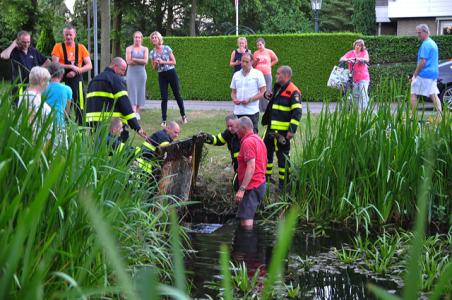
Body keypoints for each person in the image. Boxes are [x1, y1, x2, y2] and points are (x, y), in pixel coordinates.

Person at [262, 66, 302, 191]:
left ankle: (283, 184)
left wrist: (292, 130)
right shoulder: (278, 87)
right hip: (271, 129)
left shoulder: (293, 92)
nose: (276, 76)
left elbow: (297, 112)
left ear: (286, 76)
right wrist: (267, 95)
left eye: (278, 74)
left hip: (283, 133)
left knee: (282, 158)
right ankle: (266, 178)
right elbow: (274, 101)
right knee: (266, 154)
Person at [85, 57, 146, 140]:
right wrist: (137, 127)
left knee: (98, 148)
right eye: (122, 70)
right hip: (110, 124)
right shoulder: (116, 80)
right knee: (115, 149)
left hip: (92, 122)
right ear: (115, 66)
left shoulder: (94, 80)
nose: (123, 74)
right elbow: (125, 105)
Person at [52, 25, 92, 125]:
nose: (68, 37)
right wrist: (71, 67)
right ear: (63, 35)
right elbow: (55, 64)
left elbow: (89, 65)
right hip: (62, 80)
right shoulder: (58, 47)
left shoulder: (81, 48)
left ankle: (81, 127)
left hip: (77, 80)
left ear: (74, 35)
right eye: (66, 35)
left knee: (80, 104)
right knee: (64, 104)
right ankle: (64, 126)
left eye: (70, 34)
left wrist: (77, 70)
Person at [149, 31, 187, 127]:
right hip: (161, 75)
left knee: (177, 95)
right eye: (152, 38)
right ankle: (164, 120)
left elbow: (174, 62)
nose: (154, 39)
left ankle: (183, 116)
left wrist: (163, 61)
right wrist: (157, 64)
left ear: (159, 39)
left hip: (171, 73)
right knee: (164, 97)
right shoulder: (152, 52)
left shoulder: (166, 48)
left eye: (155, 37)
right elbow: (154, 68)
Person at [235, 117, 267, 229]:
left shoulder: (248, 142)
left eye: (237, 128)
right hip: (259, 184)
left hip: (252, 187)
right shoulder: (258, 140)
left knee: (246, 223)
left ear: (244, 128)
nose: (235, 131)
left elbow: (251, 166)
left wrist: (242, 189)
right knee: (245, 219)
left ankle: (247, 245)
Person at [0, 31, 50, 96]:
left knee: (33, 104)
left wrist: (38, 71)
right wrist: (13, 45)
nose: (26, 44)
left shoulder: (33, 51)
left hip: (33, 84)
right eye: (24, 42)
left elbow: (48, 62)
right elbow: (3, 56)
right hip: (18, 85)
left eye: (28, 42)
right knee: (18, 105)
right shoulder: (14, 51)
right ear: (18, 41)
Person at [410, 24, 442, 117]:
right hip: (433, 73)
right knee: (433, 94)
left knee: (413, 92)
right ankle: (440, 116)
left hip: (424, 74)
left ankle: (413, 117)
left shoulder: (426, 44)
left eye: (419, 33)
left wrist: (414, 75)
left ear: (425, 32)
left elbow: (423, 61)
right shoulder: (433, 43)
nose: (418, 35)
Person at [231, 52, 266, 134]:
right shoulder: (236, 75)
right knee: (237, 135)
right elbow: (233, 92)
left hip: (252, 111)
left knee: (252, 136)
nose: (244, 64)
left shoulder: (258, 74)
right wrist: (234, 99)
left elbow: (263, 92)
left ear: (252, 62)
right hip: (238, 111)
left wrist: (250, 100)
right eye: (243, 61)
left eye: (247, 62)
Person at [204, 114, 241, 190]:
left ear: (238, 124)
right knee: (236, 186)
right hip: (237, 167)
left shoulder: (243, 133)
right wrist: (207, 137)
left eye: (231, 125)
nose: (230, 128)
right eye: (228, 126)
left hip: (246, 167)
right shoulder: (228, 133)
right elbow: (218, 140)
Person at [339, 39, 370, 110]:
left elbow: (367, 59)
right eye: (357, 45)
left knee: (363, 94)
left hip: (363, 77)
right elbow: (341, 59)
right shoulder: (350, 53)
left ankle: (365, 112)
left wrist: (358, 59)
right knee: (355, 95)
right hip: (354, 78)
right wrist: (348, 59)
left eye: (360, 45)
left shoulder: (364, 52)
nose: (358, 47)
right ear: (354, 45)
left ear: (362, 47)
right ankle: (356, 111)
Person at [126, 31, 149, 120]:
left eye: (139, 37)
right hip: (131, 73)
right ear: (133, 38)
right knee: (132, 92)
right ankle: (133, 112)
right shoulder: (129, 48)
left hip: (141, 74)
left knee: (140, 92)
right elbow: (128, 61)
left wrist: (134, 59)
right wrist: (140, 60)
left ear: (141, 39)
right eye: (136, 37)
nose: (137, 39)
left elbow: (145, 61)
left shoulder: (145, 49)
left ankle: (137, 112)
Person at [253, 38, 278, 112]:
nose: (259, 46)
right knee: (259, 91)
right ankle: (260, 109)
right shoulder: (255, 53)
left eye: (260, 44)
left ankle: (267, 108)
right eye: (257, 45)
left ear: (264, 44)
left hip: (267, 73)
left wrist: (269, 65)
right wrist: (256, 61)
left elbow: (276, 59)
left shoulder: (269, 51)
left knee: (267, 91)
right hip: (258, 74)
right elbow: (253, 65)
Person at [44, 62, 72, 128]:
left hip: (45, 124)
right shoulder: (67, 89)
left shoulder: (43, 88)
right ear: (62, 74)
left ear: (48, 73)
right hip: (60, 125)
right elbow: (66, 112)